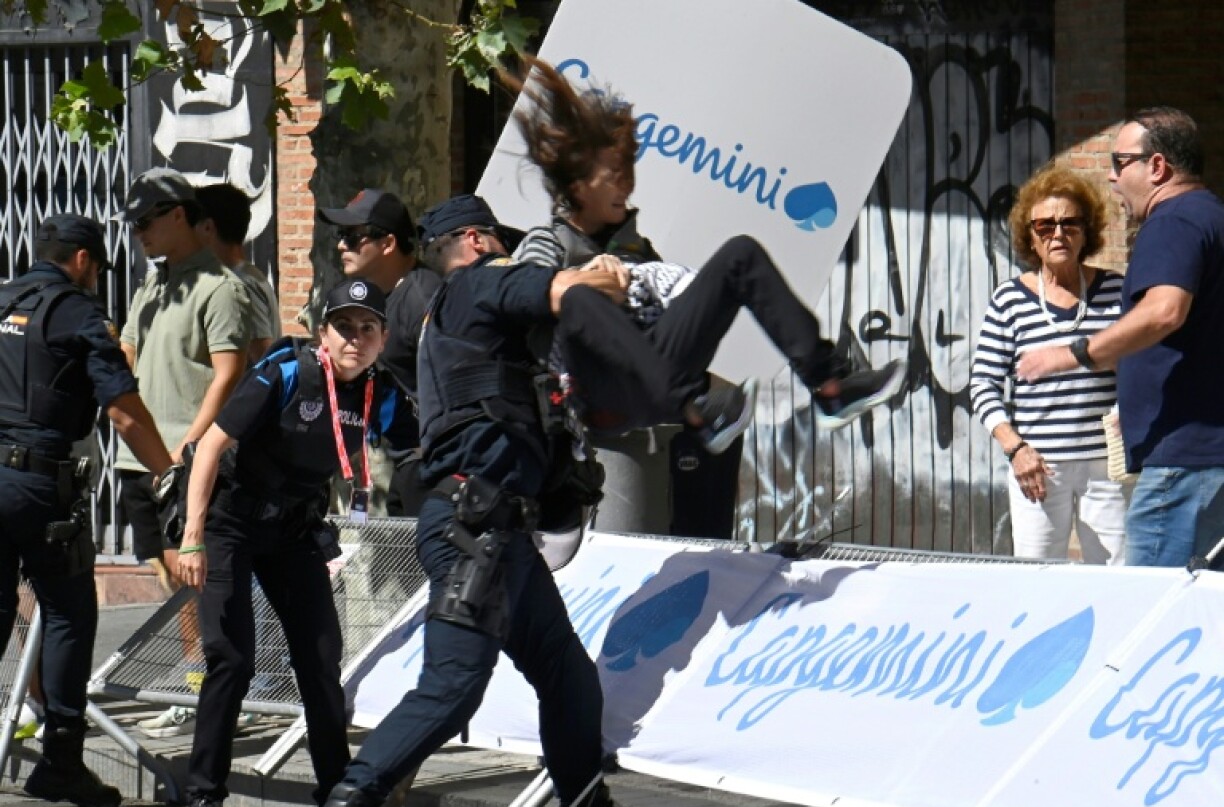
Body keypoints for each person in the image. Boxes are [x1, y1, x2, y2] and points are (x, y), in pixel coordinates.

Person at [288, 195, 682, 807]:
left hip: (498, 532)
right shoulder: (480, 281)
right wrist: (622, 274)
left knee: (569, 679)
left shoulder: (447, 316)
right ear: (478, 239)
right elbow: (562, 287)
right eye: (496, 239)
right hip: (477, 530)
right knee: (452, 686)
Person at [504, 57, 907, 448]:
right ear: (578, 185)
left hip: (655, 379)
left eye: (631, 173)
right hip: (594, 392)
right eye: (615, 176)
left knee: (740, 255)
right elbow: (525, 304)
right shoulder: (547, 242)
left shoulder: (635, 247)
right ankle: (698, 413)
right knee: (577, 299)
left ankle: (831, 386)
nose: (627, 186)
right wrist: (589, 274)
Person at [175, 278, 406, 807]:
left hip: (293, 529)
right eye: (343, 327)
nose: (355, 338)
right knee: (231, 658)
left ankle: (339, 804)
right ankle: (205, 797)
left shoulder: (382, 392)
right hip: (229, 522)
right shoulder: (283, 375)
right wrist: (192, 536)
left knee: (321, 660)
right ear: (322, 333)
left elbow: (430, 446)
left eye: (368, 328)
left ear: (382, 338)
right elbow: (209, 446)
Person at [0, 214, 172, 806]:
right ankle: (62, 761)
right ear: (82, 260)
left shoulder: (2, 300)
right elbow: (123, 412)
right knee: (69, 610)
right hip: (37, 483)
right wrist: (168, 474)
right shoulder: (75, 312)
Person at [1018, 107, 1224, 568]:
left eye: (1119, 162)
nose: (1111, 178)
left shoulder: (1172, 221)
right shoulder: (1211, 217)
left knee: (1156, 607)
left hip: (1182, 461)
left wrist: (1071, 354)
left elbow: (1165, 311)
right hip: (1205, 458)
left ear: (1156, 167)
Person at [116, 167, 252, 739]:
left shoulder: (220, 287)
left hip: (185, 462)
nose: (139, 232)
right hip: (138, 459)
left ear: (179, 215)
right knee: (174, 583)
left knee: (197, 582)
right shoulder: (153, 284)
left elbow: (229, 374)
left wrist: (189, 446)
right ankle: (203, 682)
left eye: (147, 221)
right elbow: (125, 349)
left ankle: (210, 690)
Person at [970, 163, 1127, 563]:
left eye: (1070, 223)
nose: (1058, 233)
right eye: (1045, 226)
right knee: (1038, 578)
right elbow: (982, 384)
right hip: (1037, 464)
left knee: (1119, 575)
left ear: (1086, 231)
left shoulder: (1115, 289)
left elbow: (1140, 365)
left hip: (1107, 466)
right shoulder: (1009, 300)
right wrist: (1015, 448)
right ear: (1031, 236)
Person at [318, 189, 440, 516]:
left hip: (418, 464)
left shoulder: (421, 298)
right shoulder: (376, 298)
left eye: (354, 237)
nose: (341, 245)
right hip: (380, 459)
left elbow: (447, 386)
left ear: (387, 244)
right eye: (341, 235)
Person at [195, 182, 281, 362]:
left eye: (192, 224)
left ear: (208, 228)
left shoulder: (242, 283)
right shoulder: (242, 276)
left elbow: (263, 356)